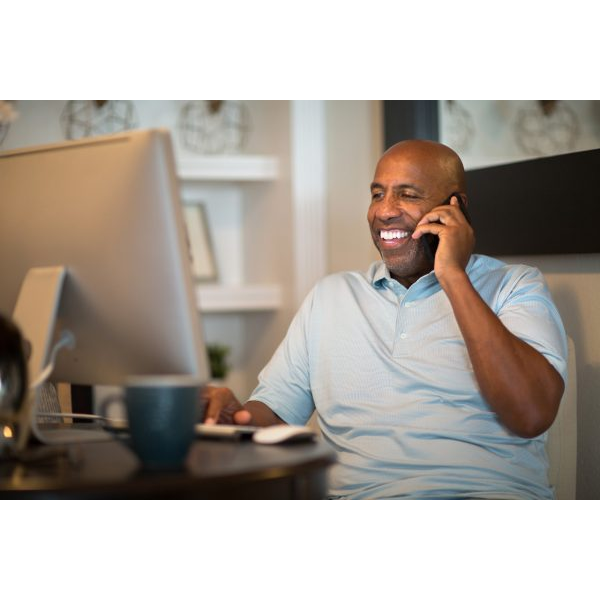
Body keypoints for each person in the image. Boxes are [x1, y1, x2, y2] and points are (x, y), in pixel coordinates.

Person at [203, 140, 568, 499]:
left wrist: (453, 275)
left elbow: (530, 414)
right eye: (378, 194)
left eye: (408, 195)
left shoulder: (515, 286)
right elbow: (275, 416)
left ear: (456, 208)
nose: (385, 211)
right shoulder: (331, 296)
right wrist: (232, 417)